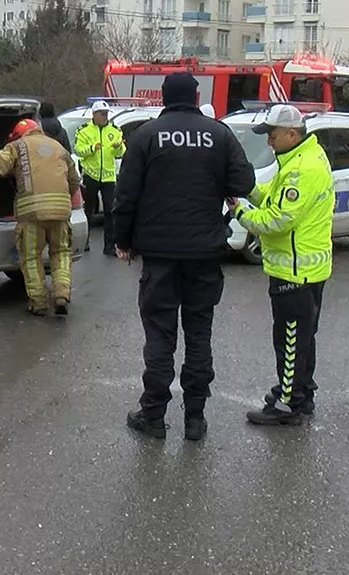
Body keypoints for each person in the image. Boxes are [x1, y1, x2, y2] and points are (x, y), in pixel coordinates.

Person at [113, 72, 256, 441]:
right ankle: (195, 417)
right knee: (198, 332)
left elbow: (126, 194)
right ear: (195, 97)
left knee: (160, 335)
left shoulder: (146, 135)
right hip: (205, 252)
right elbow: (244, 183)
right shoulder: (219, 134)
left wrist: (122, 240)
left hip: (159, 254)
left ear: (163, 97)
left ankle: (154, 416)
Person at [228, 104, 334, 426]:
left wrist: (239, 214)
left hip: (295, 271)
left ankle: (288, 403)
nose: (269, 143)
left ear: (292, 133)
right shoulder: (295, 162)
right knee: (303, 337)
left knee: (289, 339)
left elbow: (279, 219)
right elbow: (274, 200)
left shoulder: (302, 169)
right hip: (306, 268)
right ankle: (302, 394)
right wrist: (247, 192)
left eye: (272, 136)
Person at [0, 118, 80, 316]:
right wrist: (62, 200)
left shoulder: (16, 146)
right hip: (61, 211)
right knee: (61, 252)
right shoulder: (59, 148)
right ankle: (61, 294)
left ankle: (39, 302)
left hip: (31, 213)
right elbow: (74, 181)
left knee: (31, 256)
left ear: (17, 135)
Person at [73, 101, 124, 256]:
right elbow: (78, 150)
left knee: (110, 211)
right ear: (94, 114)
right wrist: (91, 149)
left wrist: (118, 147)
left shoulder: (115, 130)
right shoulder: (83, 131)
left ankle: (109, 245)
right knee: (88, 210)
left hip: (108, 177)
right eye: (102, 113)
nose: (105, 116)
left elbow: (121, 152)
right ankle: (85, 242)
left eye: (106, 113)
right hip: (91, 175)